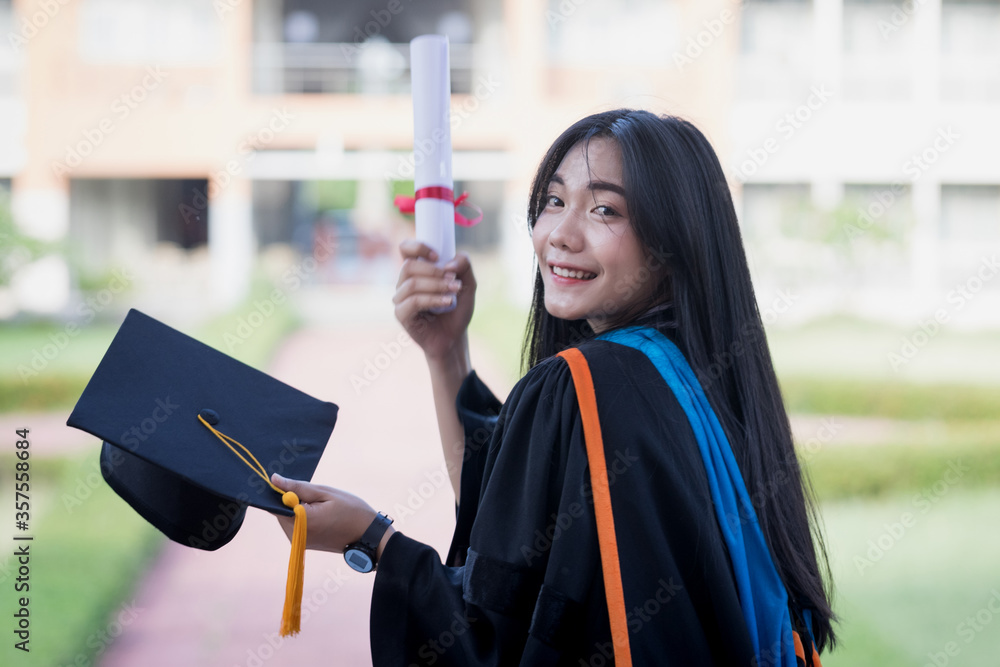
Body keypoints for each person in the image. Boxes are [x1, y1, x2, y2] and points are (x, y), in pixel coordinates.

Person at [272, 109, 836, 666]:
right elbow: (516, 517)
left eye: (605, 209)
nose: (560, 235)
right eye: (555, 202)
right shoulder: (701, 379)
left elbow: (491, 642)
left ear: (673, 243)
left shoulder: (581, 383)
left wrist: (373, 541)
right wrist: (446, 352)